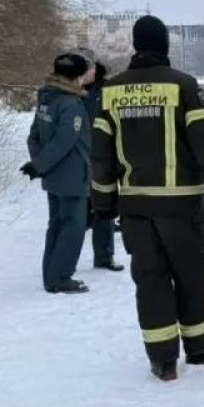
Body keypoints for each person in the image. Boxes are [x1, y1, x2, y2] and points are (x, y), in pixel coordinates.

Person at [91, 15, 204, 381]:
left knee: (150, 280)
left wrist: (103, 203)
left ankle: (162, 359)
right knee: (191, 276)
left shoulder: (110, 92)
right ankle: (202, 347)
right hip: (181, 205)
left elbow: (101, 154)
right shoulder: (183, 86)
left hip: (135, 207)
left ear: (136, 45)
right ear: (165, 46)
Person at [22, 52, 94, 294]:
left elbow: (34, 136)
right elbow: (65, 140)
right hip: (73, 174)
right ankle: (61, 276)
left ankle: (51, 275)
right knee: (73, 227)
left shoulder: (46, 99)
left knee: (56, 224)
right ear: (77, 76)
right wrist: (40, 165)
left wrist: (40, 164)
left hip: (53, 176)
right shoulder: (71, 104)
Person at [83, 57, 124, 272]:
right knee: (78, 213)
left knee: (104, 209)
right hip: (81, 159)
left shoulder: (108, 91)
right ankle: (65, 261)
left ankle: (105, 256)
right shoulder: (73, 93)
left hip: (102, 158)